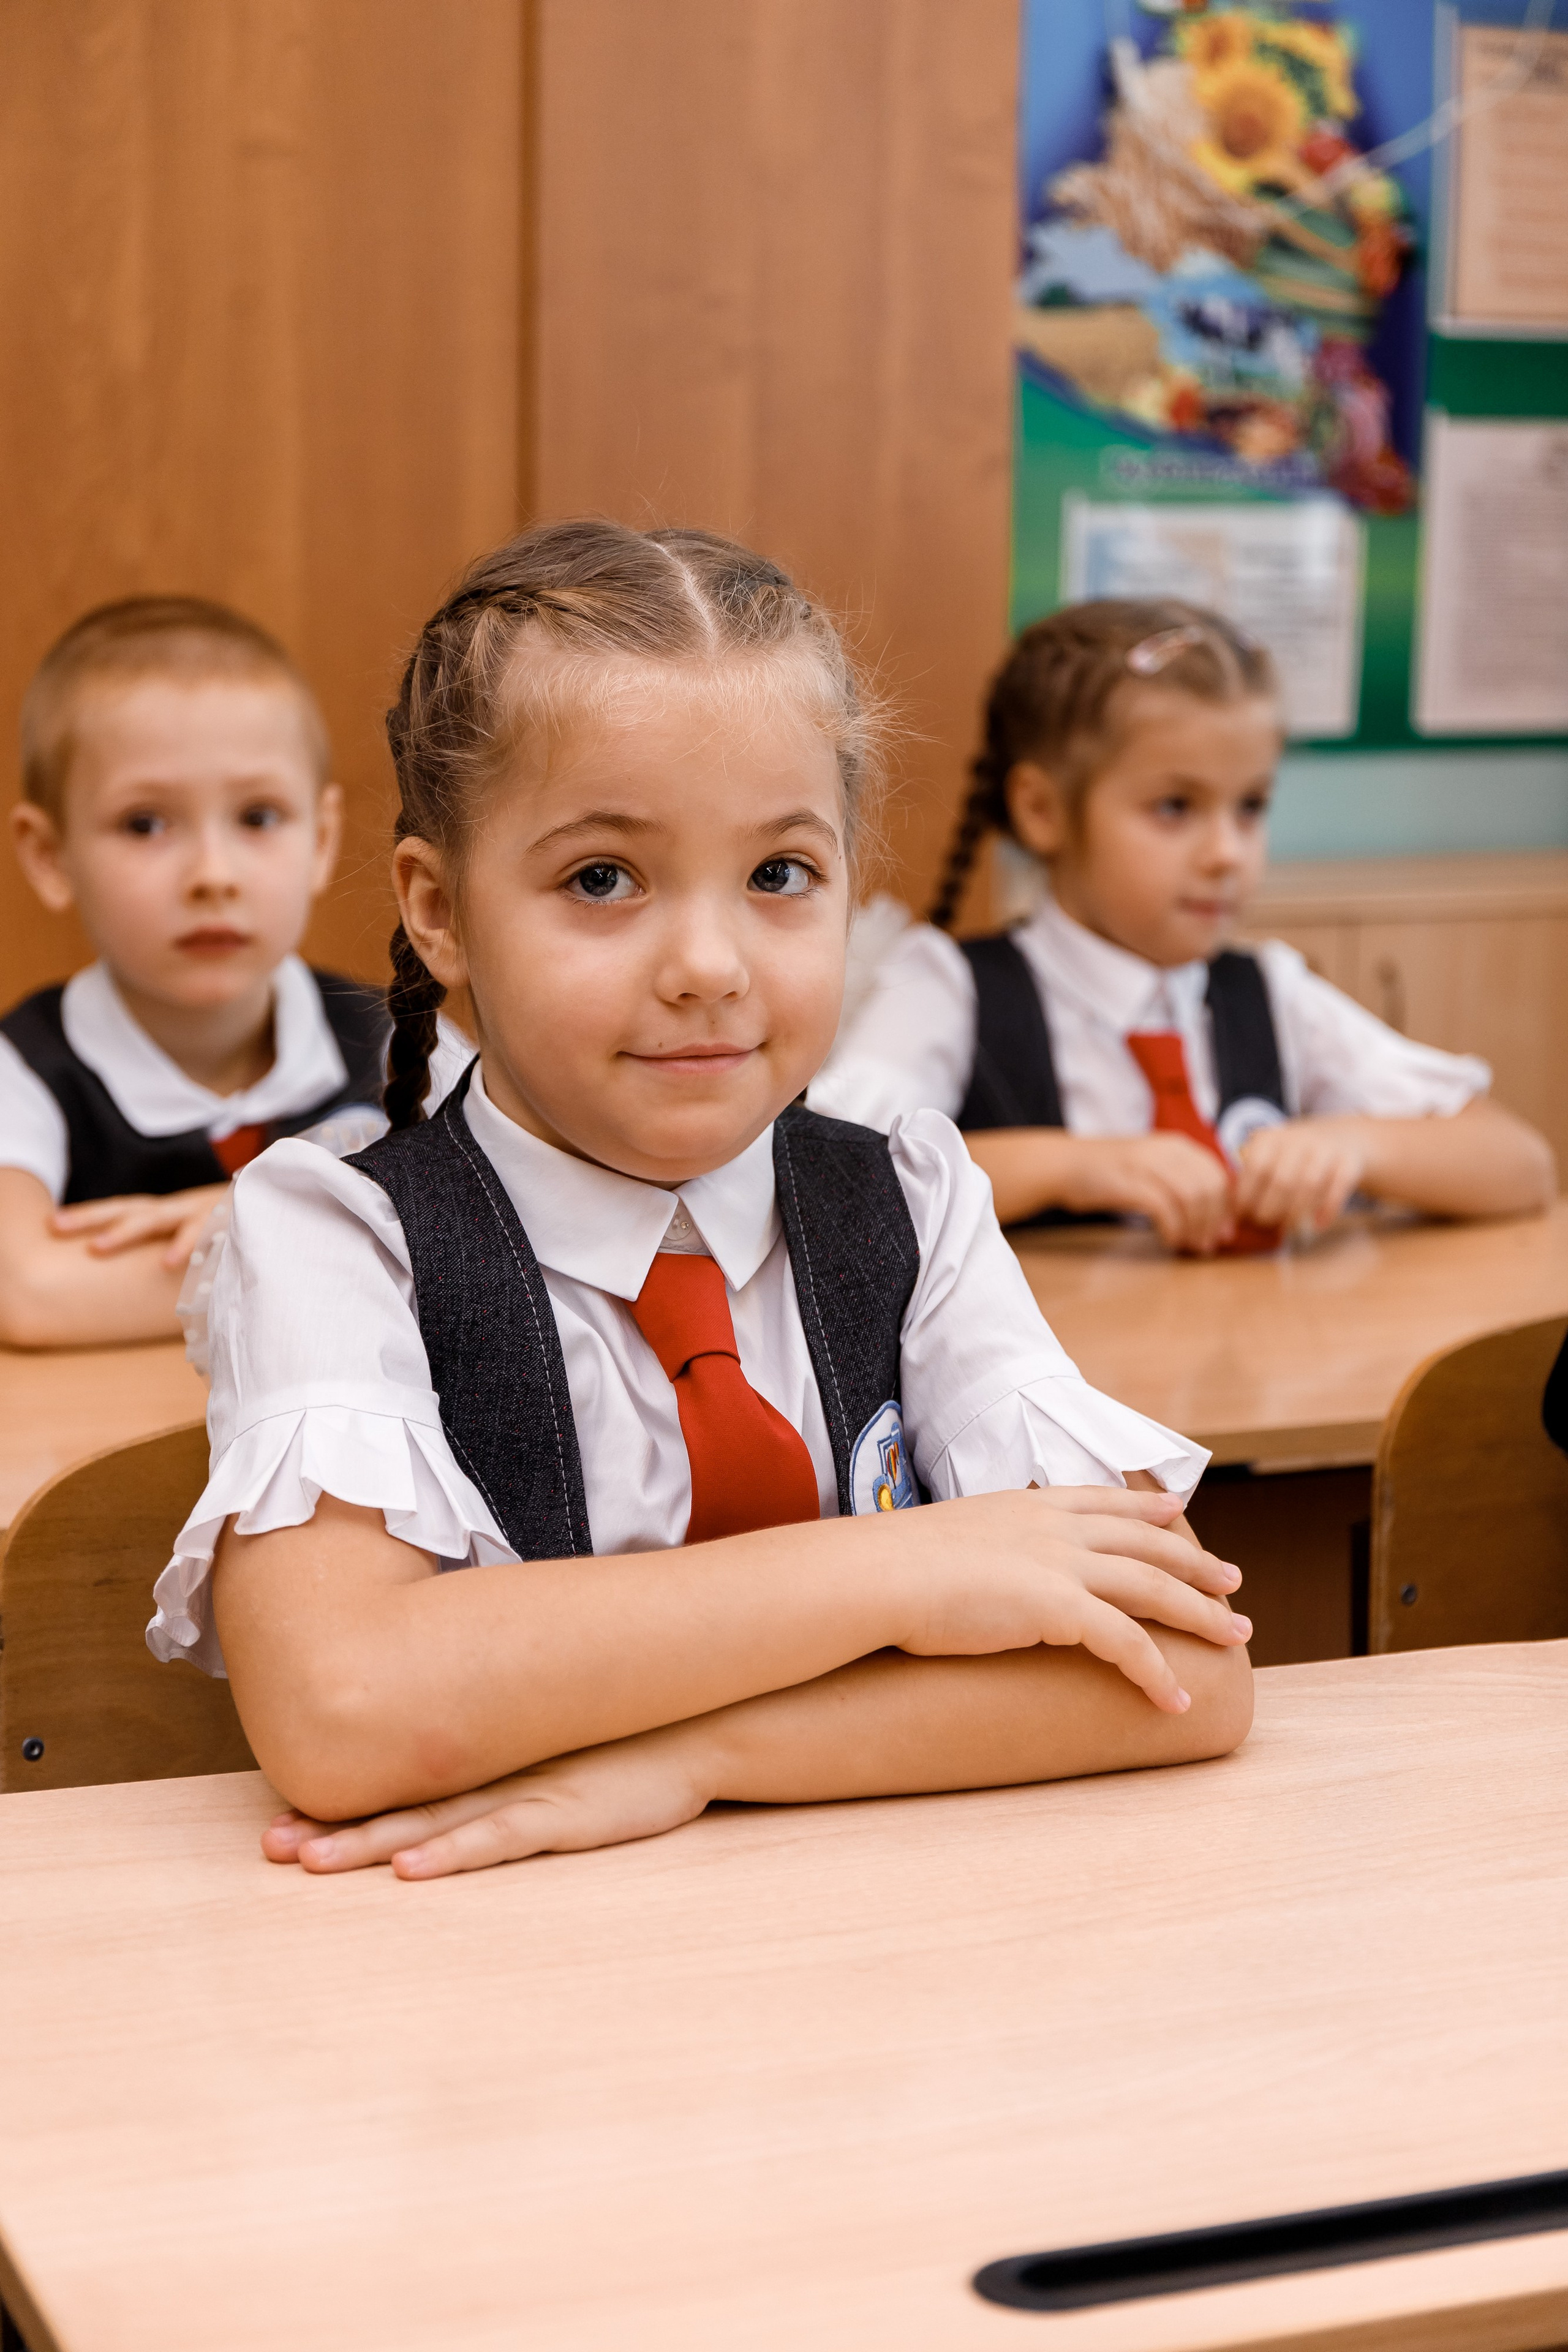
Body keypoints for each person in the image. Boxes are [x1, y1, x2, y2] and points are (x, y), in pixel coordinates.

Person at [148, 522, 1253, 1882]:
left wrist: (689, 1760)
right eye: (601, 879)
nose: (708, 964)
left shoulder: (909, 1192)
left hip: (896, 1953)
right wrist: (906, 1570)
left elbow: (1187, 1672)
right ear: (437, 912)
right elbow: (346, 1709)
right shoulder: (331, 1230)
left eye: (778, 875)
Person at [809, 601, 1556, 1247]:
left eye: (1251, 806)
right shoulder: (951, 985)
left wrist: (1357, 1147)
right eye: (1174, 807)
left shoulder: (1269, 992)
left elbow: (1520, 1164)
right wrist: (1078, 1166)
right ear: (1041, 810)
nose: (1227, 852)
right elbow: (833, 1173)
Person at [0, 597, 390, 1348]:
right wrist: (335, 1232)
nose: (214, 875)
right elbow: (29, 1291)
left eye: (258, 817)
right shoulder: (24, 1068)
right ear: (50, 856)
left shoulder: (397, 1040)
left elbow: (507, 1233)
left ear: (322, 837)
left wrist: (237, 1213)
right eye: (146, 824)